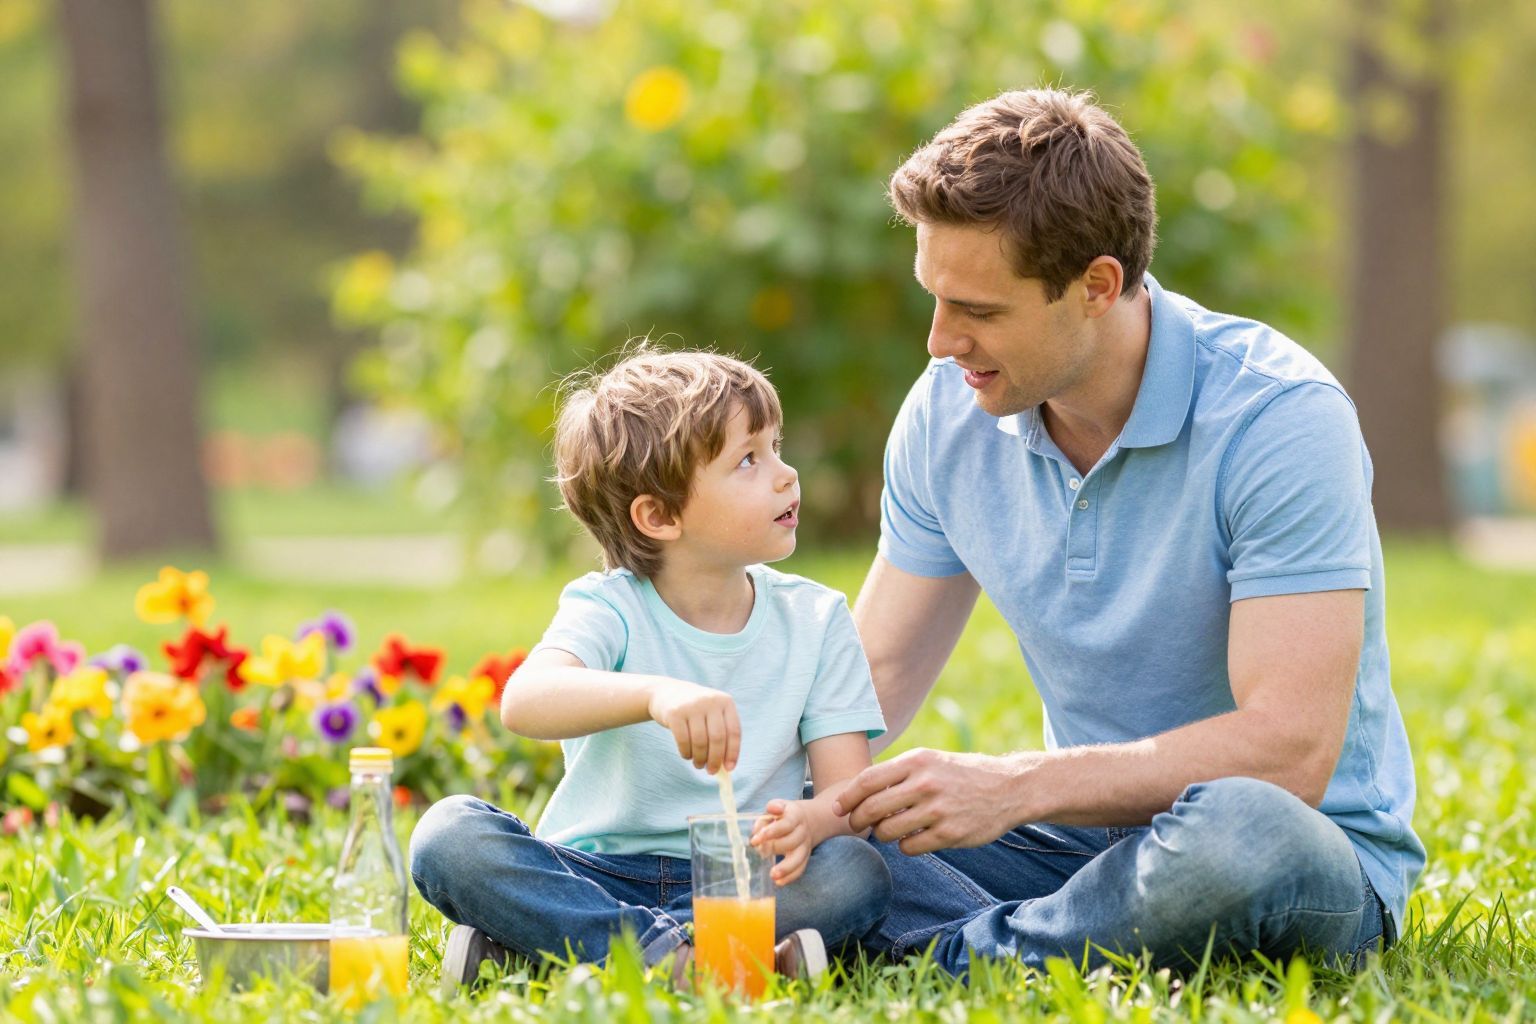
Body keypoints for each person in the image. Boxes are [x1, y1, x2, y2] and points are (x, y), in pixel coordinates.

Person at [833, 88, 1425, 976]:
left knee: (1239, 832)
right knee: (846, 834)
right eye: (935, 298)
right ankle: (1032, 935)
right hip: (1069, 847)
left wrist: (1018, 785)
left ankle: (940, 954)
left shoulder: (1279, 418)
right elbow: (868, 681)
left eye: (980, 312)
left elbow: (1289, 751)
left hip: (1291, 854)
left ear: (1098, 287)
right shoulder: (947, 413)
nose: (938, 341)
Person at [409, 347, 891, 991]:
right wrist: (656, 695)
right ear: (659, 516)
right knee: (448, 835)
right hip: (592, 870)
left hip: (737, 879)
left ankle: (556, 951)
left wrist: (815, 820)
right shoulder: (610, 605)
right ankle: (706, 963)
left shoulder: (817, 618)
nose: (786, 475)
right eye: (748, 460)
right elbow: (526, 699)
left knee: (855, 872)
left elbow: (847, 795)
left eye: (777, 447)